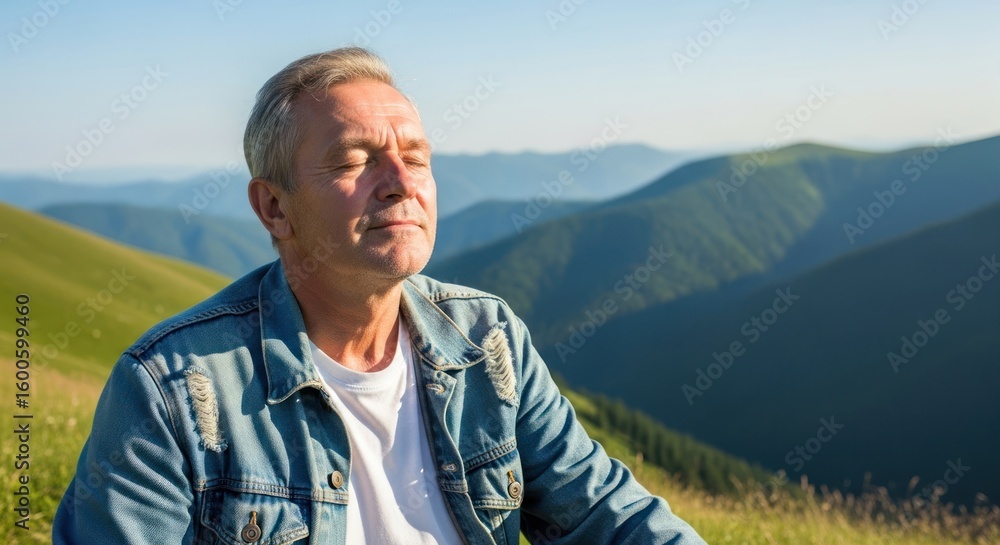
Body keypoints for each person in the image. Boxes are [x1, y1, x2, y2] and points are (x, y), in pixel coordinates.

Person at [53, 47, 706, 544]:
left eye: (416, 157)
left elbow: (602, 511)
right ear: (275, 207)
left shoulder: (487, 338)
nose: (400, 182)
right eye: (353, 161)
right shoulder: (172, 389)